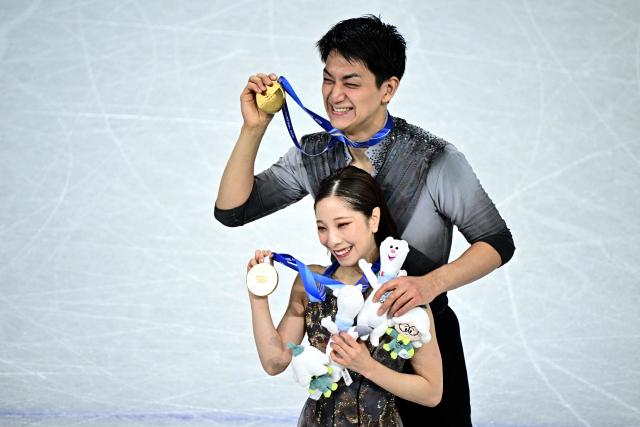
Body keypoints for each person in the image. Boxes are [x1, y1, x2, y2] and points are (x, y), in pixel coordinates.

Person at [216, 15, 515, 426]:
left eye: (351, 83)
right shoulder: (315, 154)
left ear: (388, 88)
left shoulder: (436, 159)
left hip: (419, 339)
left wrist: (429, 284)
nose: (335, 96)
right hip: (345, 355)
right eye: (328, 80)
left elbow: (497, 242)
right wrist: (254, 128)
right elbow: (233, 210)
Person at [247, 166, 443, 426]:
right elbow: (275, 362)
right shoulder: (311, 284)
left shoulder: (402, 292)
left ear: (373, 219)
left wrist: (366, 366)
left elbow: (431, 392)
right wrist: (258, 296)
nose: (332, 239)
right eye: (322, 228)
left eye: (342, 224)